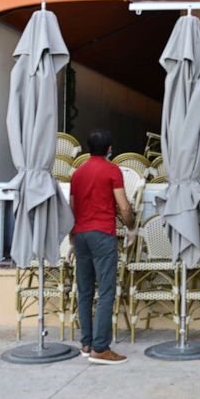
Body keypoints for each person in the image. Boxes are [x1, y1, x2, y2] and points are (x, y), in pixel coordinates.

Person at [69, 129, 134, 365]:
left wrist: (72, 238)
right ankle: (101, 348)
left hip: (81, 234)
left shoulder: (77, 173)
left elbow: (72, 208)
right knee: (106, 292)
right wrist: (131, 227)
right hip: (102, 234)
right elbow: (124, 207)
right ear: (109, 149)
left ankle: (86, 344)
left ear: (88, 148)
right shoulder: (112, 170)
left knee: (85, 291)